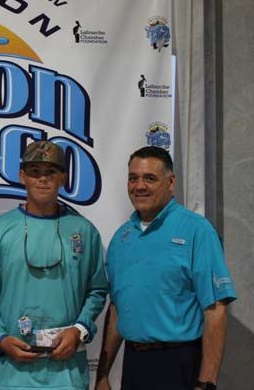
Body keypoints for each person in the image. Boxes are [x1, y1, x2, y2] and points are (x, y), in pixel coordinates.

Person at [94, 146, 237, 390]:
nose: (139, 186)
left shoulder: (197, 231)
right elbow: (117, 308)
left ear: (171, 183)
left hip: (179, 363)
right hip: (134, 364)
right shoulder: (122, 238)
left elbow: (215, 309)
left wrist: (207, 382)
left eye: (150, 178)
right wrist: (103, 375)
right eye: (133, 178)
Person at [0, 140, 108, 390]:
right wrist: (1, 338)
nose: (42, 179)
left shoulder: (84, 231)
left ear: (63, 178)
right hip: (9, 376)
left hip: (66, 375)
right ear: (22, 176)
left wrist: (79, 329)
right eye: (34, 172)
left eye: (50, 172)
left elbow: (97, 290)